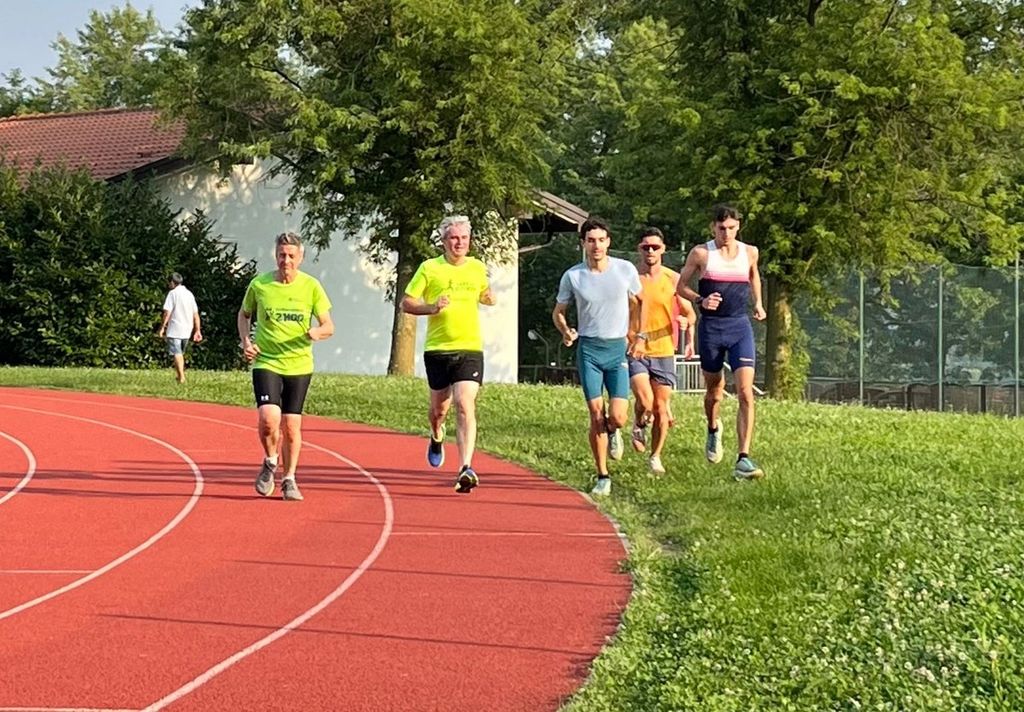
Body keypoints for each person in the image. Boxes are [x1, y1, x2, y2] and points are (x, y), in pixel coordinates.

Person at [401, 215, 495, 494]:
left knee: (465, 404)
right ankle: (436, 433)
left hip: (470, 347)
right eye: (454, 238)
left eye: (464, 238)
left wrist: (488, 297)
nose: (459, 243)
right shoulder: (430, 268)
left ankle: (466, 467)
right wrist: (431, 308)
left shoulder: (477, 267)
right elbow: (407, 302)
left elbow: (484, 292)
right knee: (439, 410)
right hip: (438, 349)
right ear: (443, 241)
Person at [237, 232, 334, 502]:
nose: (286, 260)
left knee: (291, 426)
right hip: (266, 361)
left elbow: (329, 325)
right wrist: (246, 341)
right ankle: (270, 459)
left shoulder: (311, 287)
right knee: (269, 419)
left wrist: (317, 332)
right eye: (282, 255)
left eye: (291, 255)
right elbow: (244, 315)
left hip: (299, 364)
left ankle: (289, 478)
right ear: (275, 255)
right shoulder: (260, 285)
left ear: (300, 257)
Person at [552, 217, 641, 497]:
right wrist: (566, 331)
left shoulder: (625, 270)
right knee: (595, 414)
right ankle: (603, 475)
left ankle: (614, 432)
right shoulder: (573, 276)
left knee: (618, 417)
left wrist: (636, 334)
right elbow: (558, 312)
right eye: (591, 241)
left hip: (616, 350)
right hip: (589, 350)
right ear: (583, 243)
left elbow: (639, 303)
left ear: (609, 242)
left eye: (601, 240)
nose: (596, 246)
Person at [677, 204, 767, 480]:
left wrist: (758, 303)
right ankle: (713, 427)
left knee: (745, 392)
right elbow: (680, 286)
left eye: (731, 228)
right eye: (721, 228)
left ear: (738, 226)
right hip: (711, 329)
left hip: (739, 326)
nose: (726, 233)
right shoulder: (701, 253)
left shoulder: (750, 252)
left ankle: (743, 457)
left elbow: (753, 274)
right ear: (712, 228)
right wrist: (701, 300)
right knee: (714, 391)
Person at [628, 228, 696, 474]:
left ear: (663, 250)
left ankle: (655, 456)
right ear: (639, 249)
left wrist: (688, 332)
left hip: (664, 349)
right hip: (635, 347)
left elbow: (690, 314)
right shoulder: (630, 277)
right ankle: (638, 423)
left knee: (660, 408)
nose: (650, 251)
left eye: (655, 247)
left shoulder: (673, 279)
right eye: (646, 247)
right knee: (646, 401)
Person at [158, 272, 202, 384]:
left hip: (175, 328)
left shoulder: (172, 294)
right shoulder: (189, 294)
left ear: (172, 282)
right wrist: (197, 330)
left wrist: (162, 327)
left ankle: (181, 377)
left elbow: (167, 312)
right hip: (187, 329)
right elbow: (195, 314)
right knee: (180, 353)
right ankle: (179, 376)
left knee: (177, 353)